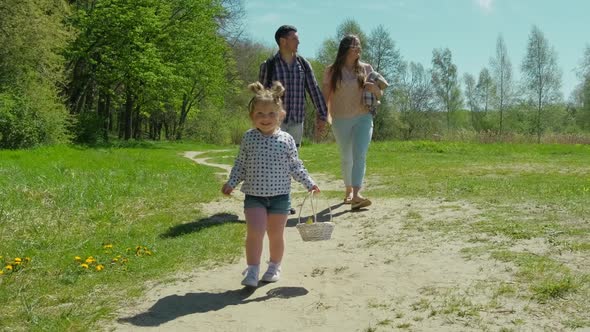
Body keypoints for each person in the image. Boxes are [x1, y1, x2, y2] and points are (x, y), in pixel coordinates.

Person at [222, 81, 320, 288]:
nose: (265, 119)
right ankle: (253, 269)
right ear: (252, 116)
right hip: (255, 196)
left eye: (271, 114)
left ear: (280, 115)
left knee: (276, 234)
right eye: (260, 114)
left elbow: (295, 166)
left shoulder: (286, 139)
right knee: (255, 232)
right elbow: (240, 164)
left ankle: (274, 266)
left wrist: (309, 183)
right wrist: (231, 182)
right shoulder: (248, 138)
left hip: (280, 198)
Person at [321, 34, 382, 210]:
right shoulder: (331, 70)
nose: (359, 49)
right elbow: (326, 96)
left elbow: (380, 94)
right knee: (346, 156)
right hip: (340, 118)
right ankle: (348, 190)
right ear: (346, 48)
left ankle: (356, 194)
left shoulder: (367, 68)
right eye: (355, 46)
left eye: (360, 46)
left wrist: (375, 89)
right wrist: (323, 116)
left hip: (364, 116)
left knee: (359, 154)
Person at [259, 25, 328, 148]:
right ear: (283, 41)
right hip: (274, 122)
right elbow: (261, 97)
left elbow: (314, 90)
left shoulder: (304, 65)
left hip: (297, 122)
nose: (299, 42)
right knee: (274, 160)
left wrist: (323, 115)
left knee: (292, 161)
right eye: (295, 39)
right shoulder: (268, 66)